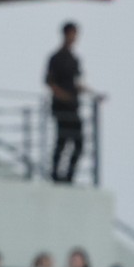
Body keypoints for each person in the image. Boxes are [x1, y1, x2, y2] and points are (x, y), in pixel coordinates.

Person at [45, 20, 90, 184]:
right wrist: (63, 95)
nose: (74, 37)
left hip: (73, 107)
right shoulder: (56, 58)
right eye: (72, 33)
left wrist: (91, 93)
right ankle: (56, 175)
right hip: (61, 108)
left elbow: (76, 83)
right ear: (66, 34)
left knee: (78, 144)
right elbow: (49, 82)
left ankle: (68, 176)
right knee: (62, 142)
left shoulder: (74, 59)